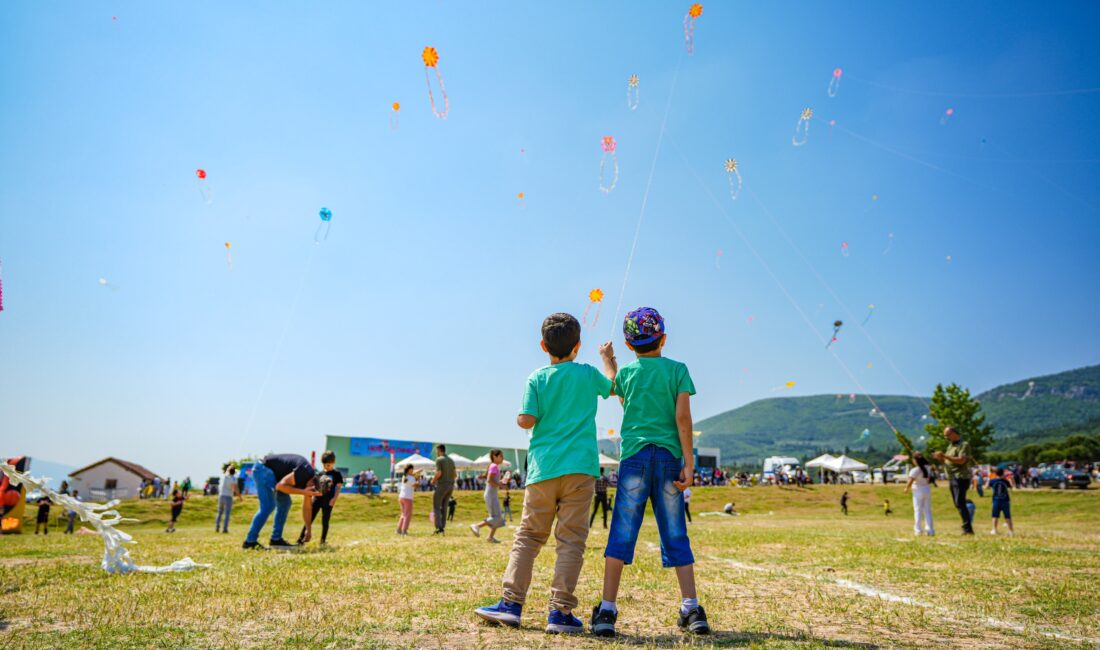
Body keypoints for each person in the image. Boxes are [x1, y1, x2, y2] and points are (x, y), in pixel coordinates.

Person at [475, 312, 616, 633]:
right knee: (571, 541)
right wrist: (608, 358)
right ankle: (560, 613)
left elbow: (526, 419)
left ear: (543, 345)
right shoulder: (587, 373)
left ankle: (511, 604)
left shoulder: (536, 378)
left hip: (543, 470)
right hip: (580, 469)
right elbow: (612, 385)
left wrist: (522, 419)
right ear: (578, 346)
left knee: (528, 536)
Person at [591, 307, 709, 637]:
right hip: (670, 458)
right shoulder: (678, 370)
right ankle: (692, 608)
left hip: (635, 460)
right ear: (664, 339)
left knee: (622, 531)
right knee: (674, 532)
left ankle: (607, 610)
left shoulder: (627, 373)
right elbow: (683, 419)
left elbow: (616, 388)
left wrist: (608, 359)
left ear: (629, 346)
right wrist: (689, 461)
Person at [243, 453, 321, 550]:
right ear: (313, 483)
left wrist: (308, 529)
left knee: (285, 503)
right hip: (263, 469)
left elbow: (307, 507)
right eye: (313, 491)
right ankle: (249, 541)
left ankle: (276, 539)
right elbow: (280, 486)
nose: (311, 494)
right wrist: (303, 492)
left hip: (274, 474)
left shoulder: (310, 483)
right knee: (268, 505)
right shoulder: (304, 472)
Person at [932, 426, 976, 534]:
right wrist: (940, 458)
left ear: (955, 433)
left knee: (960, 502)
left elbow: (961, 460)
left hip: (960, 477)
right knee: (958, 503)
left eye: (948, 435)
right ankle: (967, 524)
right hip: (952, 478)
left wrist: (945, 456)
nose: (946, 437)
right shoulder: (950, 446)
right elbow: (948, 461)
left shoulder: (964, 445)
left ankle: (968, 529)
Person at [298, 450, 343, 546]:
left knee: (325, 521)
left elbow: (338, 487)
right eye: (325, 465)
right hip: (317, 500)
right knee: (309, 519)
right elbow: (315, 486)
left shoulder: (337, 474)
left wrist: (334, 499)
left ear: (333, 463)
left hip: (328, 501)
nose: (326, 466)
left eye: (329, 465)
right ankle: (300, 539)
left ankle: (323, 541)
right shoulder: (319, 474)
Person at [471, 449, 507, 543]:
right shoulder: (494, 466)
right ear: (495, 457)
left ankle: (490, 537)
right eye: (501, 456)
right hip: (491, 495)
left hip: (492, 494)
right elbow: (490, 480)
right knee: (497, 517)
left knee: (497, 516)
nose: (503, 458)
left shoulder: (493, 466)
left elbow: (489, 478)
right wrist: (500, 485)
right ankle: (477, 526)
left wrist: (500, 483)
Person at [905, 452, 935, 536]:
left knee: (917, 510)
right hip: (927, 489)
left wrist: (906, 488)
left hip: (918, 489)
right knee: (927, 510)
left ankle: (918, 530)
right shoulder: (928, 468)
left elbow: (910, 480)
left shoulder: (915, 470)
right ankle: (930, 530)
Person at [431, 444, 457, 534]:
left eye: (436, 451)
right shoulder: (451, 460)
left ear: (439, 450)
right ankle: (442, 526)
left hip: (442, 485)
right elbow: (455, 475)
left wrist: (433, 481)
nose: (436, 453)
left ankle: (439, 527)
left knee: (436, 506)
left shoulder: (439, 459)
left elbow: (439, 473)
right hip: (450, 486)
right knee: (445, 506)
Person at [989, 467, 1014, 536]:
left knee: (995, 516)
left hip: (996, 500)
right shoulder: (1005, 481)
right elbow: (1011, 487)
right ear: (1003, 473)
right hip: (1005, 500)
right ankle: (1011, 531)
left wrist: (989, 479)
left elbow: (986, 487)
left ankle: (994, 529)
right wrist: (1011, 479)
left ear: (995, 474)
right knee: (1007, 516)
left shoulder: (992, 481)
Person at [215, 464, 240, 534]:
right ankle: (225, 528)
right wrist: (239, 496)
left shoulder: (224, 476)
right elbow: (235, 488)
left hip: (221, 495)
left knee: (219, 512)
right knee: (227, 513)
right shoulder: (233, 478)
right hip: (228, 496)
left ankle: (217, 527)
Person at [396, 465, 420, 535]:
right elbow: (416, 486)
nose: (413, 470)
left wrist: (417, 471)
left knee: (403, 514)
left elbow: (411, 474)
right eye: (412, 469)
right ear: (409, 470)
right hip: (408, 497)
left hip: (401, 497)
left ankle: (399, 529)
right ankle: (404, 530)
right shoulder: (411, 478)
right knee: (407, 515)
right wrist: (418, 479)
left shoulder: (404, 476)